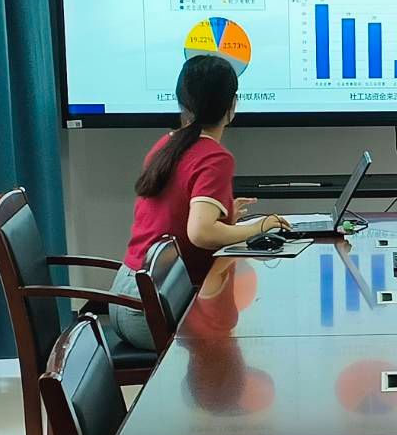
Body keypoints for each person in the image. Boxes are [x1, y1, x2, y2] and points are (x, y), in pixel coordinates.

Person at [110, 55, 289, 350]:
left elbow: (173, 214)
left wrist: (226, 218)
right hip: (152, 310)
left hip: (125, 296)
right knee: (242, 335)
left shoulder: (167, 144)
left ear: (183, 102)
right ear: (232, 106)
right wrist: (259, 228)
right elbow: (201, 232)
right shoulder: (214, 157)